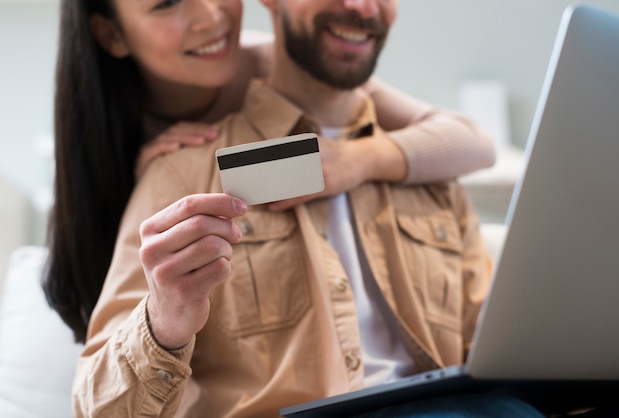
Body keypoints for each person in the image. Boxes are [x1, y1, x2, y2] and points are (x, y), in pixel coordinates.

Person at [72, 0, 545, 417]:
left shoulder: (430, 178)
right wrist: (164, 319)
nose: (360, 5)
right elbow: (98, 410)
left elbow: (491, 354)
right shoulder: (180, 172)